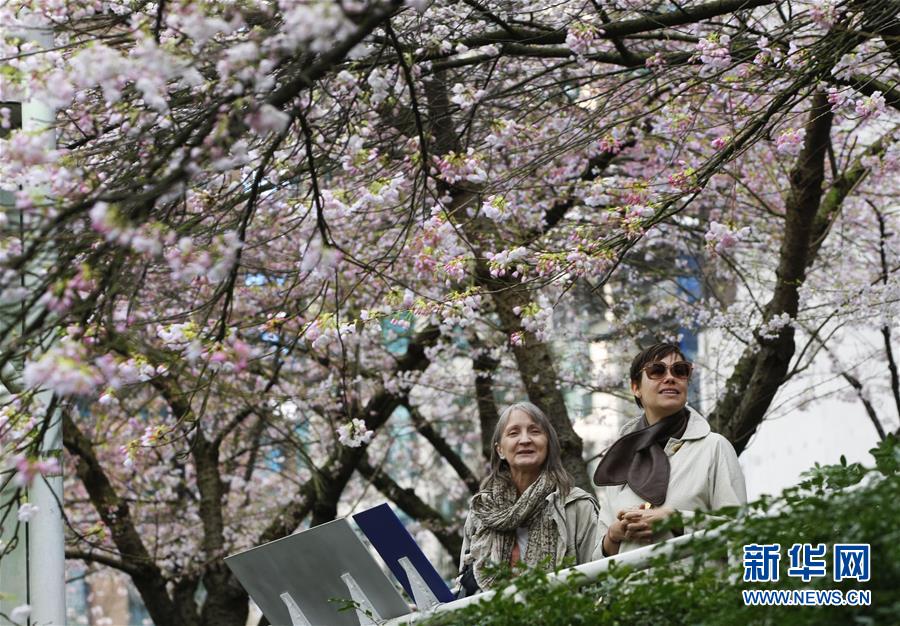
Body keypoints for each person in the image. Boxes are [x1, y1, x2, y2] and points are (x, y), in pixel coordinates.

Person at [593, 343, 746, 558]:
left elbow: (739, 536)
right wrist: (614, 536)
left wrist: (676, 520)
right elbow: (596, 561)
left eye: (680, 371)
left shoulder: (714, 447)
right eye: (657, 371)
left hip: (695, 589)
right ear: (635, 387)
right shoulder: (622, 456)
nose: (670, 377)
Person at [458, 401, 599, 594]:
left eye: (534, 431)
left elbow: (595, 581)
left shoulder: (577, 506)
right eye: (513, 433)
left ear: (548, 443)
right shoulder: (482, 511)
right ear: (500, 449)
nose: (525, 440)